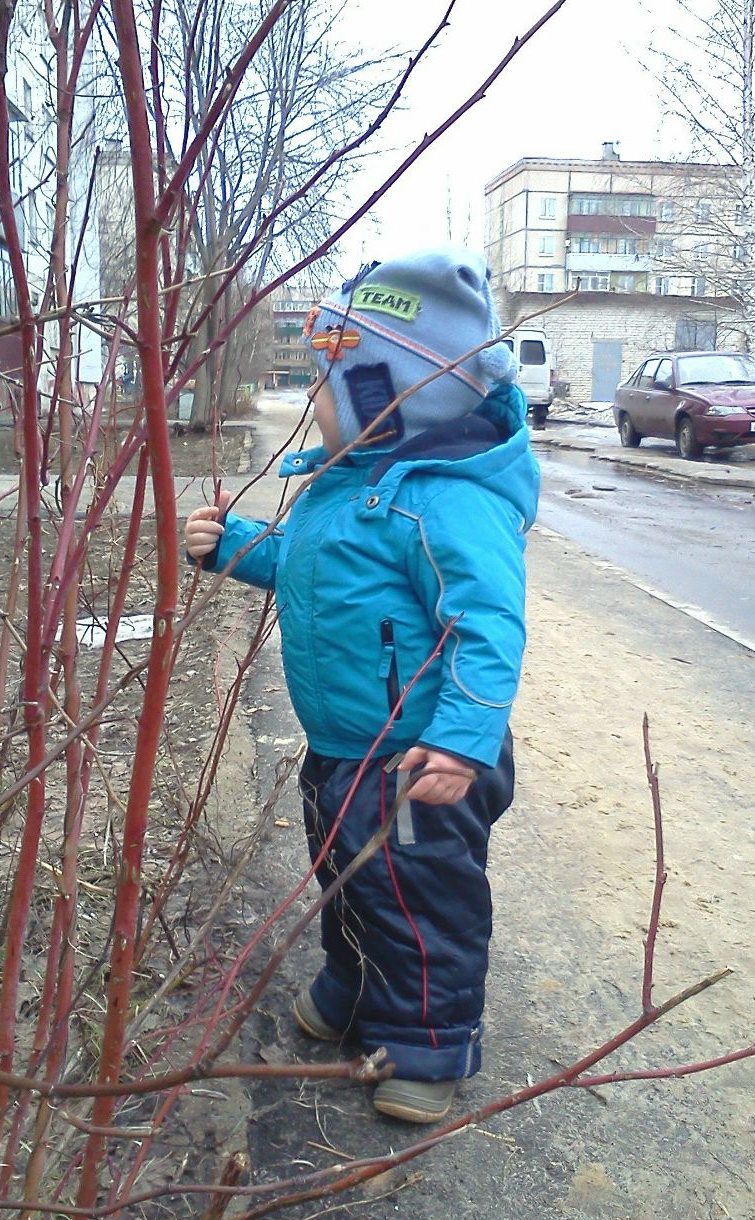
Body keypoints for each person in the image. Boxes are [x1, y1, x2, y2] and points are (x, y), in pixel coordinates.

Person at [184, 247, 539, 1124]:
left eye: (328, 380)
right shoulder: (348, 485)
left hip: (418, 761)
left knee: (422, 901)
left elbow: (488, 626)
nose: (314, 400)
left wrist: (462, 740)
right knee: (345, 877)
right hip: (343, 749)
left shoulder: (449, 500)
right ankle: (354, 987)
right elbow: (313, 569)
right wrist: (234, 547)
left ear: (392, 394)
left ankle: (431, 1044)